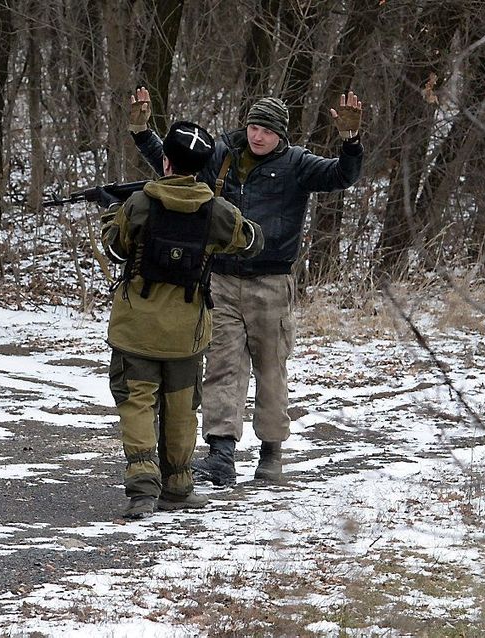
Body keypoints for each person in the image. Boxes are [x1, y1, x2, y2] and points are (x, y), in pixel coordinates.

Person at [127, 88, 364, 486]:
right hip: (220, 278)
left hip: (271, 282)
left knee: (271, 368)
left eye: (267, 131)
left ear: (280, 135)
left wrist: (351, 143)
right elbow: (175, 168)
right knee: (222, 367)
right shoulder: (222, 155)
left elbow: (341, 176)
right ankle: (221, 455)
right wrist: (141, 131)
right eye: (254, 126)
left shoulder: (297, 164)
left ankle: (271, 452)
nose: (257, 136)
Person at [100, 120, 264, 518]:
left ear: (167, 162)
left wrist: (110, 213)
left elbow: (116, 248)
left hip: (136, 327)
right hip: (187, 331)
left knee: (137, 404)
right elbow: (252, 241)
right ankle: (178, 486)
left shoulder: (139, 203)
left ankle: (142, 489)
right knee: (180, 409)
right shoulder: (217, 212)